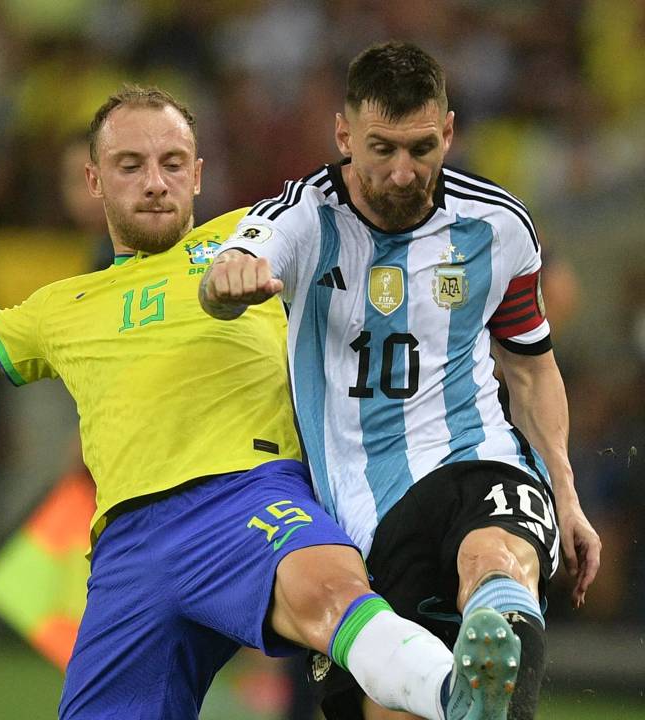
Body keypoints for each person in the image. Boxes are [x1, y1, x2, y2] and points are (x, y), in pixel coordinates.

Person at [0, 85, 520, 720]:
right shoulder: (59, 307)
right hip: (127, 546)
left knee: (327, 592)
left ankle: (458, 695)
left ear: (199, 174)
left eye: (173, 163)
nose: (155, 182)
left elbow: (385, 211)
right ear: (94, 180)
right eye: (131, 165)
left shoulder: (258, 236)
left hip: (246, 495)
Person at [200, 42, 602, 720]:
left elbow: (530, 366)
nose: (401, 172)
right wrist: (230, 276)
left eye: (421, 148)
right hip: (366, 510)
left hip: (479, 457)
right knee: (398, 706)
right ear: (343, 135)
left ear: (447, 131)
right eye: (381, 148)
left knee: (497, 562)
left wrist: (564, 490)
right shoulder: (304, 216)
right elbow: (239, 255)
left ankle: (494, 641)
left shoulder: (497, 226)